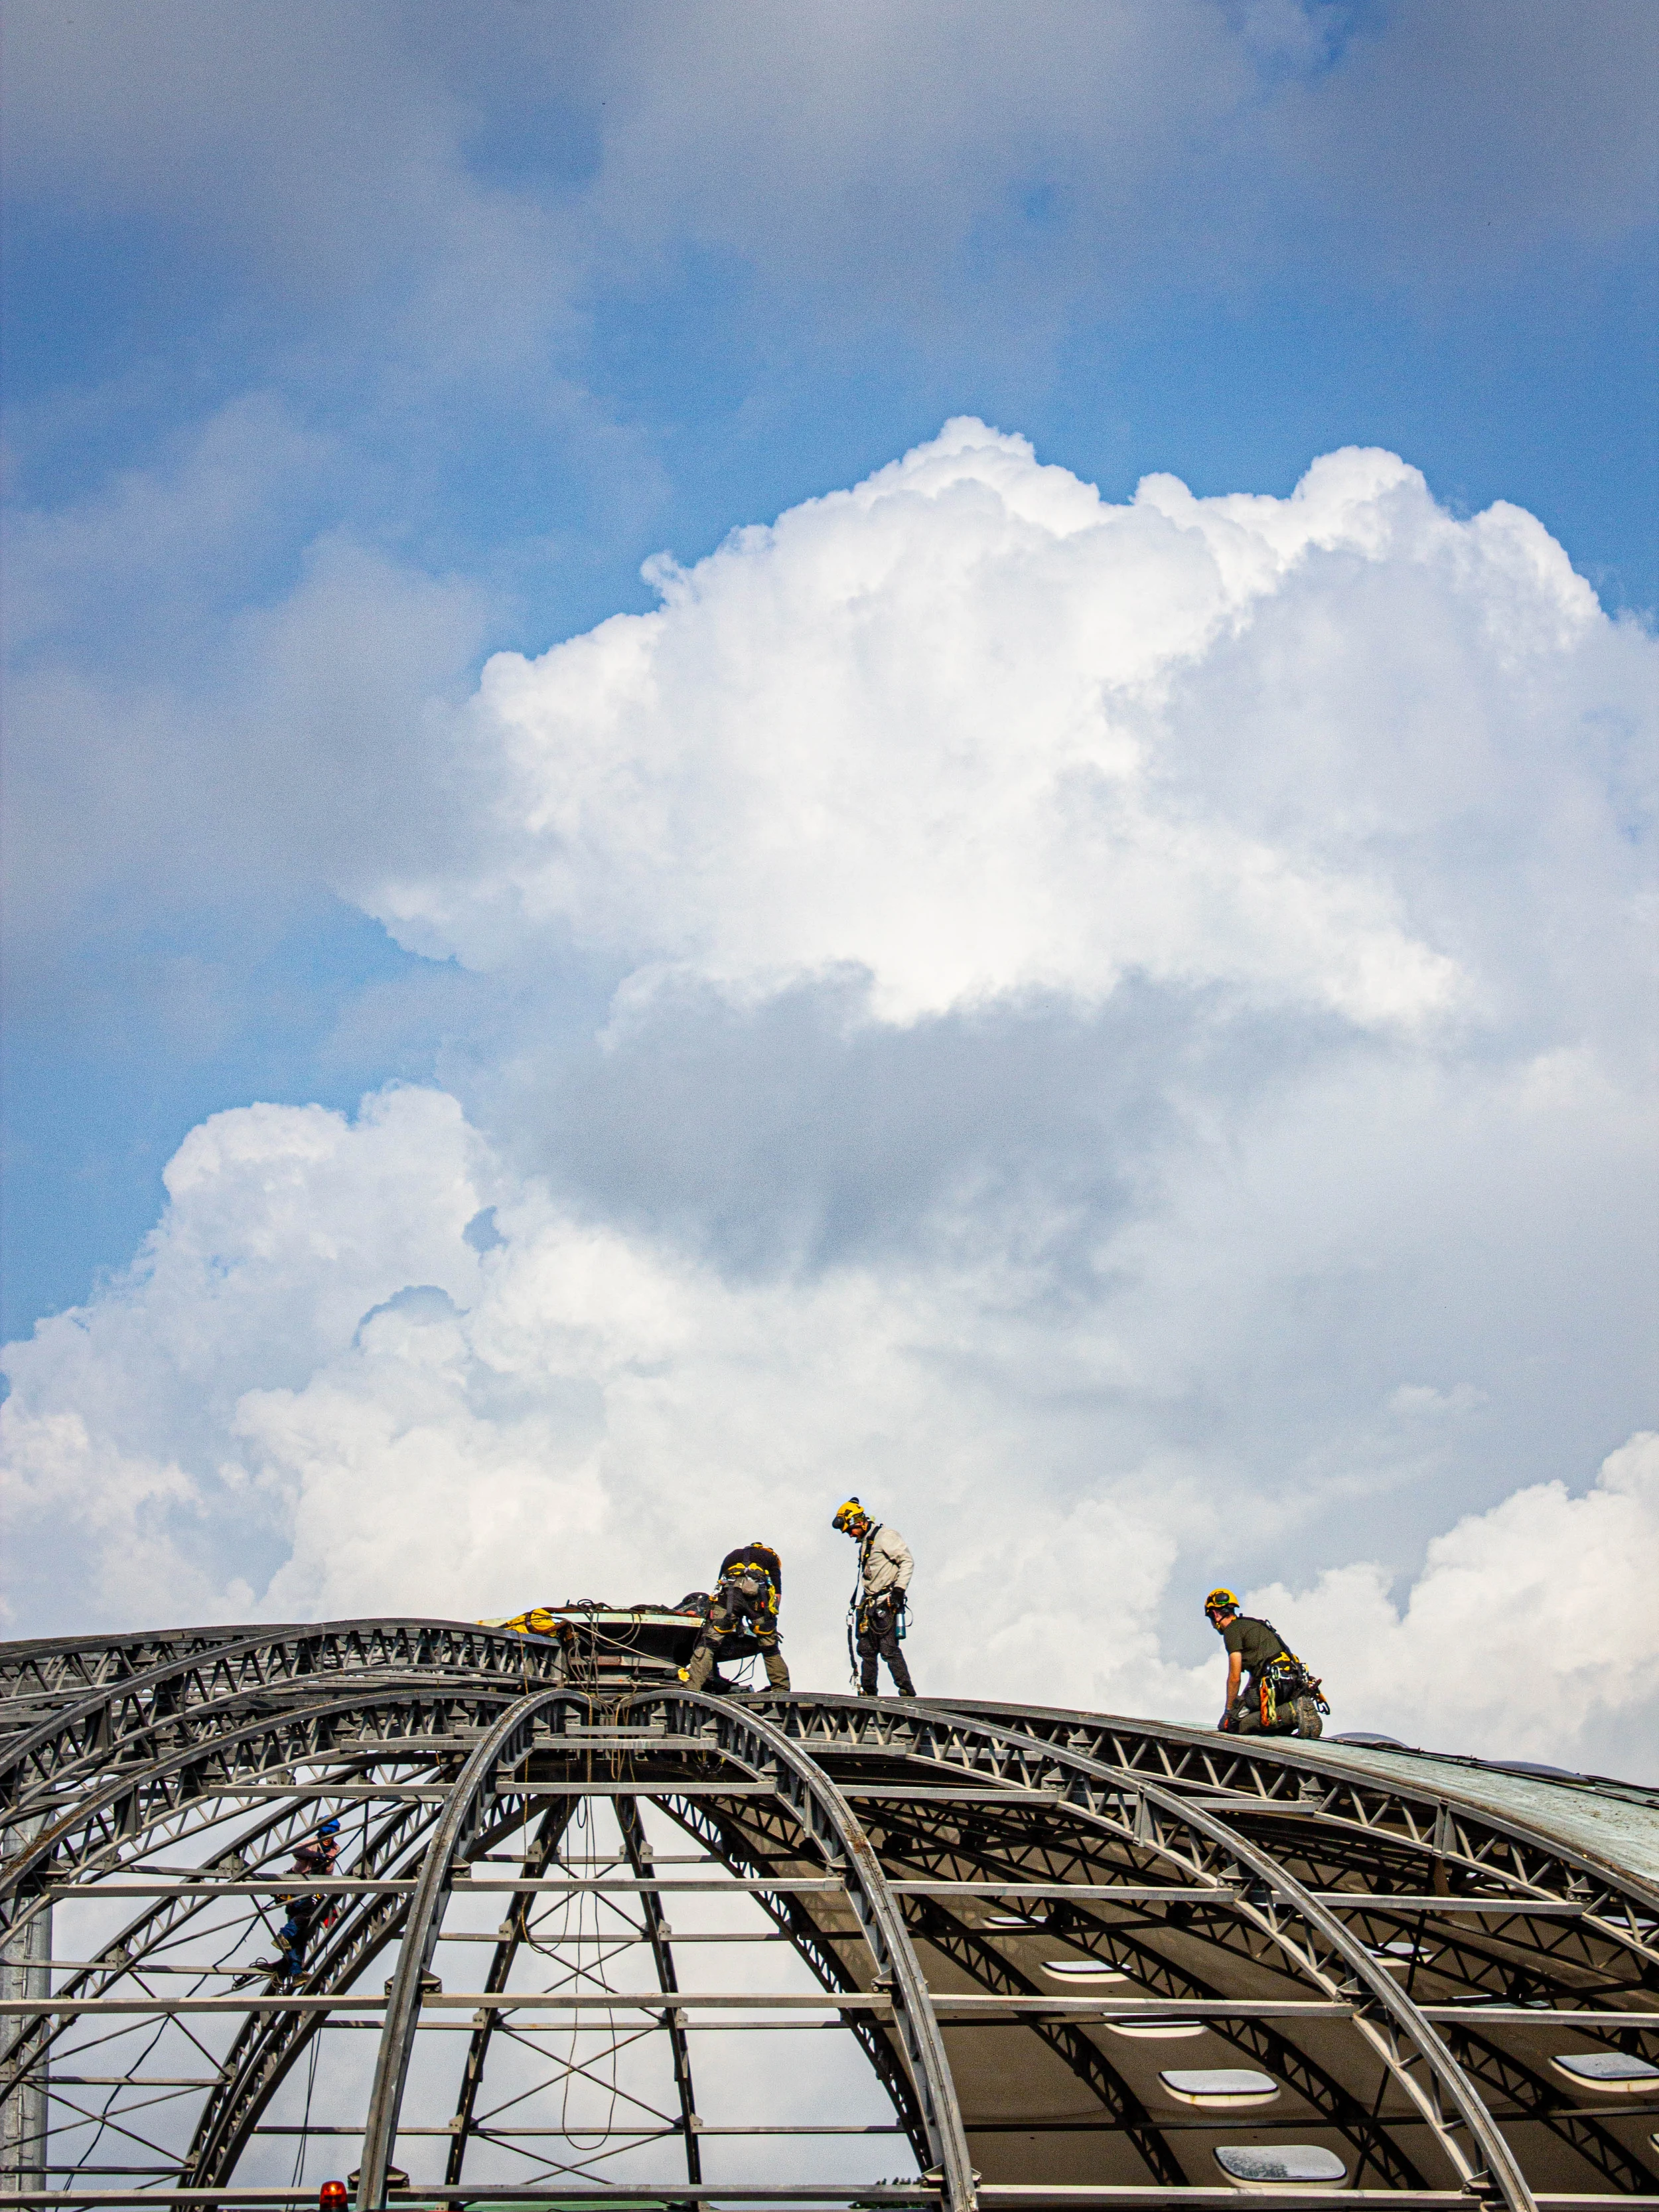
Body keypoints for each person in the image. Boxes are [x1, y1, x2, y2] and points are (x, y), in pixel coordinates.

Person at [1204, 1591, 1325, 1737]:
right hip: (1291, 1682)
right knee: (1260, 1714)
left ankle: (1293, 1712)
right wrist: (1243, 1701)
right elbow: (1253, 1677)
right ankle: (1293, 1718)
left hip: (1272, 1684)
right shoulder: (1253, 1625)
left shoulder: (1232, 1630)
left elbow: (1234, 1677)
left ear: (1215, 1615)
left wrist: (1229, 1712)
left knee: (1235, 1725)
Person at [833, 1498, 916, 1699]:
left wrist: (899, 1591)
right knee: (866, 1650)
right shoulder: (867, 1542)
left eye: (850, 1530)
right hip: (869, 1604)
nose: (849, 1534)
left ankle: (907, 1692)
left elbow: (907, 1561)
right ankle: (869, 1694)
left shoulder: (885, 1537)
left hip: (886, 1603)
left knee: (888, 1649)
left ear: (859, 1522)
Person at [680, 1542, 790, 1692]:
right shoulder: (770, 1557)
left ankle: (692, 1688)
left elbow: (720, 1586)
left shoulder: (732, 1556)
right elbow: (776, 1595)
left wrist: (731, 1620)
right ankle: (781, 1689)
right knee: (769, 1647)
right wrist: (770, 1621)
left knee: (710, 1642)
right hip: (758, 1598)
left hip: (729, 1597)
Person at [258, 1819, 342, 1984]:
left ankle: (294, 1971)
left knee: (301, 1936)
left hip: (312, 1889)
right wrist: (318, 1857)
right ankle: (283, 1935)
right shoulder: (313, 1843)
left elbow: (327, 1875)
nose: (327, 1838)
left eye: (330, 1835)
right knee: (305, 1913)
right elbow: (298, 1851)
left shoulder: (334, 1849)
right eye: (325, 1834)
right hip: (297, 1887)